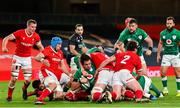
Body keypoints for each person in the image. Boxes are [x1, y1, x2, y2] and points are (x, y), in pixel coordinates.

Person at [1, 19, 44, 101]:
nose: (33, 29)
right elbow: (6, 38)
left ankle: (24, 89)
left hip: (27, 60)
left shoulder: (36, 36)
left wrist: (44, 55)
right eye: (32, 27)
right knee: (14, 79)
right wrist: (4, 47)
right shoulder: (20, 33)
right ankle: (9, 96)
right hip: (17, 58)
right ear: (27, 26)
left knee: (28, 81)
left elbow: (40, 47)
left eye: (35, 27)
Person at [34, 37, 71, 104]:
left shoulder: (60, 52)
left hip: (55, 73)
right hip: (45, 71)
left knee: (61, 94)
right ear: (54, 44)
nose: (60, 46)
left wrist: (69, 74)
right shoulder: (47, 49)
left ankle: (40, 92)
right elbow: (36, 58)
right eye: (58, 44)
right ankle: (39, 99)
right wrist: (42, 60)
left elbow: (62, 66)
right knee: (53, 85)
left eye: (61, 44)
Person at [157, 16, 180, 96]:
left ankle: (179, 91)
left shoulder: (178, 33)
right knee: (162, 72)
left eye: (170, 23)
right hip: (166, 55)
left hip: (175, 55)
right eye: (167, 23)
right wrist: (158, 54)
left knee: (178, 73)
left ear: (173, 24)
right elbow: (160, 43)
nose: (168, 25)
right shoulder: (162, 33)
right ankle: (165, 88)